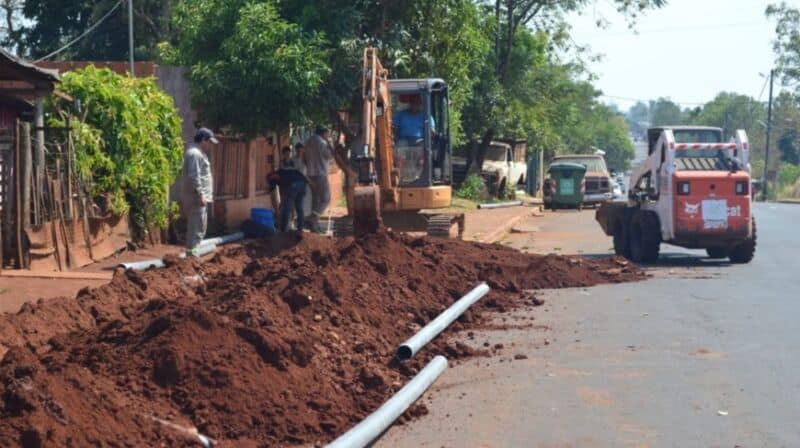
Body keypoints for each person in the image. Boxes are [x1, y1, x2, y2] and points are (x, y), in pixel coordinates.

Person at [182, 127, 218, 255]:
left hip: (200, 199)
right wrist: (201, 194)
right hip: (196, 198)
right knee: (195, 228)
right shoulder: (194, 154)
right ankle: (191, 256)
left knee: (199, 228)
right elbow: (194, 176)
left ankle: (193, 255)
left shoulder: (199, 153)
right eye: (209, 142)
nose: (210, 145)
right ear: (203, 140)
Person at [269, 146, 310, 232]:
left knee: (287, 207)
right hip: (302, 184)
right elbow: (301, 175)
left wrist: (278, 208)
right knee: (299, 207)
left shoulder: (276, 176)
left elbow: (277, 192)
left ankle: (284, 230)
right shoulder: (284, 169)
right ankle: (300, 229)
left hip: (293, 185)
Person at [304, 125, 333, 232]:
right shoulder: (322, 143)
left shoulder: (308, 142)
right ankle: (313, 218)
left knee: (316, 199)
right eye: (327, 133)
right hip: (320, 174)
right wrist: (330, 144)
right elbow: (329, 156)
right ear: (323, 133)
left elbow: (304, 158)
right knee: (326, 199)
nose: (328, 135)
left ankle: (314, 227)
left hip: (310, 174)